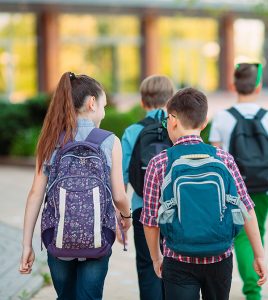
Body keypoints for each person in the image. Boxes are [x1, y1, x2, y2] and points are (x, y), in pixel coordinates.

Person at [141, 87, 267, 300]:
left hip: (178, 258)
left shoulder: (159, 163)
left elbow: (150, 220)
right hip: (220, 257)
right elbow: (246, 207)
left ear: (172, 120)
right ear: (204, 122)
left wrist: (156, 257)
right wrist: (259, 254)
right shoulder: (224, 159)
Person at [19, 72, 131, 300]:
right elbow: (119, 195)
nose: (104, 111)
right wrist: (126, 218)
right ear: (92, 103)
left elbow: (34, 195)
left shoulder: (50, 140)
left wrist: (26, 244)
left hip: (58, 237)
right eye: (103, 105)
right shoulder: (110, 141)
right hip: (97, 237)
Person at [209, 63, 268, 300]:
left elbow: (216, 156)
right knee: (259, 230)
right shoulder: (266, 117)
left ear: (234, 85)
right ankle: (256, 281)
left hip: (237, 188)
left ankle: (253, 291)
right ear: (258, 86)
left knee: (243, 236)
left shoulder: (223, 117)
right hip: (264, 186)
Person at [121, 75, 174, 300]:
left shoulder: (132, 132)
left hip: (143, 209)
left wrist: (120, 216)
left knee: (147, 265)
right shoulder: (177, 127)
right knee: (176, 266)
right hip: (176, 208)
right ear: (171, 99)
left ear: (142, 102)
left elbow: (122, 176)